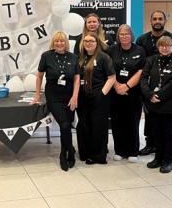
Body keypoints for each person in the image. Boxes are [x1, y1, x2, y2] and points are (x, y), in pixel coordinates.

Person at [136, 10, 172, 156]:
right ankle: (151, 145)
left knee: (168, 126)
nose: (157, 21)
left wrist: (162, 93)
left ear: (164, 21)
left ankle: (167, 155)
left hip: (169, 92)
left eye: (160, 19)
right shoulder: (142, 39)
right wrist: (148, 93)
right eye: (154, 18)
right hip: (148, 89)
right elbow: (140, 65)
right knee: (151, 120)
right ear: (150, 21)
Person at [32, 31, 80, 172]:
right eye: (57, 41)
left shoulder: (73, 57)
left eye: (62, 41)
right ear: (53, 42)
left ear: (66, 42)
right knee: (64, 124)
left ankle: (67, 152)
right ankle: (67, 152)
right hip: (54, 95)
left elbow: (77, 78)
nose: (59, 43)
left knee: (68, 125)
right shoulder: (46, 56)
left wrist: (75, 96)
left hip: (69, 95)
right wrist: (37, 95)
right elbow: (39, 76)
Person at [140, 36, 172, 173]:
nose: (165, 48)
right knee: (156, 132)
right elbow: (143, 78)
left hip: (170, 104)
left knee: (168, 132)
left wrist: (158, 95)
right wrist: (149, 95)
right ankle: (158, 158)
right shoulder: (151, 60)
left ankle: (169, 160)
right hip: (153, 103)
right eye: (162, 45)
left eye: (168, 45)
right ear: (158, 47)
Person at [108, 24, 146, 163]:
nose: (124, 36)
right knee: (117, 122)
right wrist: (117, 86)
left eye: (127, 34)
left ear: (131, 35)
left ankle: (132, 151)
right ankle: (119, 150)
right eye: (121, 34)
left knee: (132, 122)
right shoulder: (112, 50)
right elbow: (108, 69)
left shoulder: (139, 50)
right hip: (115, 91)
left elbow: (141, 71)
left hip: (133, 93)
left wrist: (127, 86)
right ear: (118, 36)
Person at [76, 32, 116, 164]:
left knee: (98, 126)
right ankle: (85, 153)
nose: (88, 43)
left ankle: (98, 156)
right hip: (83, 97)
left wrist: (102, 93)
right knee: (84, 125)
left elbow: (111, 78)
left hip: (99, 97)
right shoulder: (80, 58)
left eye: (91, 41)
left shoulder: (104, 57)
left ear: (97, 43)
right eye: (86, 41)